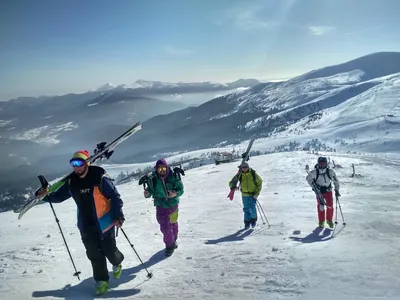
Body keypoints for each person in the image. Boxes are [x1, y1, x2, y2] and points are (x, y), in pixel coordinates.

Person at [36, 150, 125, 295]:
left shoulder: (99, 177)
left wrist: (119, 216)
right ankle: (101, 281)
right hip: (85, 225)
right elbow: (58, 196)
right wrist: (45, 196)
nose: (76, 167)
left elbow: (115, 197)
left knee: (109, 251)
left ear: (86, 163)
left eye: (79, 163)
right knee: (93, 254)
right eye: (73, 164)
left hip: (104, 222)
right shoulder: (72, 182)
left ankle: (117, 262)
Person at [143, 158, 184, 257]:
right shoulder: (153, 179)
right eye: (159, 169)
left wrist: (175, 194)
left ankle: (174, 239)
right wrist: (147, 193)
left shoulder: (173, 176)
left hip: (172, 204)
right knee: (165, 227)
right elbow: (150, 190)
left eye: (163, 168)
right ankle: (169, 246)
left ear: (167, 168)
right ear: (156, 169)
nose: (161, 171)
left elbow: (181, 189)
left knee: (173, 223)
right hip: (160, 205)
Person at [306, 156, 341, 228]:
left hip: (328, 191)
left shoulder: (330, 172)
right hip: (319, 192)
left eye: (324, 163)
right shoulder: (314, 172)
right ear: (318, 163)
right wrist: (313, 187)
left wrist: (337, 189)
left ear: (326, 164)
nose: (322, 165)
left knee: (330, 206)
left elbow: (336, 181)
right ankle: (321, 222)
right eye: (321, 163)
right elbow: (308, 178)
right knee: (321, 206)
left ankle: (329, 220)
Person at [228, 162, 263, 229]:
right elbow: (231, 182)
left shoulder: (253, 174)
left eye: (245, 167)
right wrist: (233, 187)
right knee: (246, 209)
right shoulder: (239, 174)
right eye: (243, 167)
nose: (244, 168)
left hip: (252, 194)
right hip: (244, 195)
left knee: (252, 208)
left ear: (248, 167)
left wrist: (257, 193)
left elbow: (260, 182)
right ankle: (247, 223)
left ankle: (253, 220)